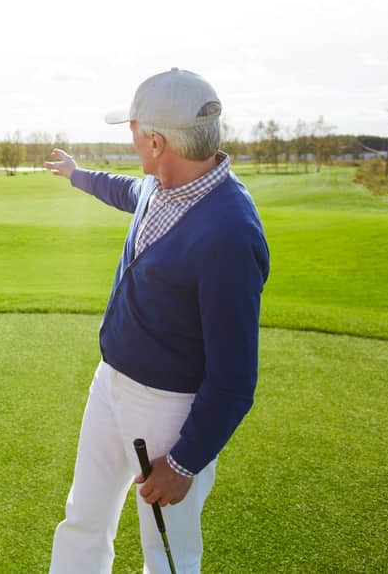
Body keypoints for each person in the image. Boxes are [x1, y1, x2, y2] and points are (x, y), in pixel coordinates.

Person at [45, 68, 270, 573]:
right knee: (83, 519)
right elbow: (127, 192)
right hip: (110, 386)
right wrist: (78, 175)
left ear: (155, 140)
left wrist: (186, 460)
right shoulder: (160, 185)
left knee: (167, 554)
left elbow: (235, 378)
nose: (129, 140)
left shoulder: (229, 232)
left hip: (170, 413)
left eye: (131, 130)